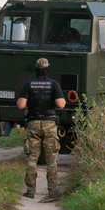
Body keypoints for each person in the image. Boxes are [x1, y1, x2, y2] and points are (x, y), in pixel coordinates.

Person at [17, 57, 66, 202]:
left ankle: (30, 191)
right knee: (51, 161)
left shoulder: (28, 85)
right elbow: (61, 104)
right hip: (49, 124)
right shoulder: (53, 84)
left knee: (32, 160)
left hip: (33, 123)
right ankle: (53, 192)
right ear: (47, 69)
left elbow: (21, 105)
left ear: (36, 69)